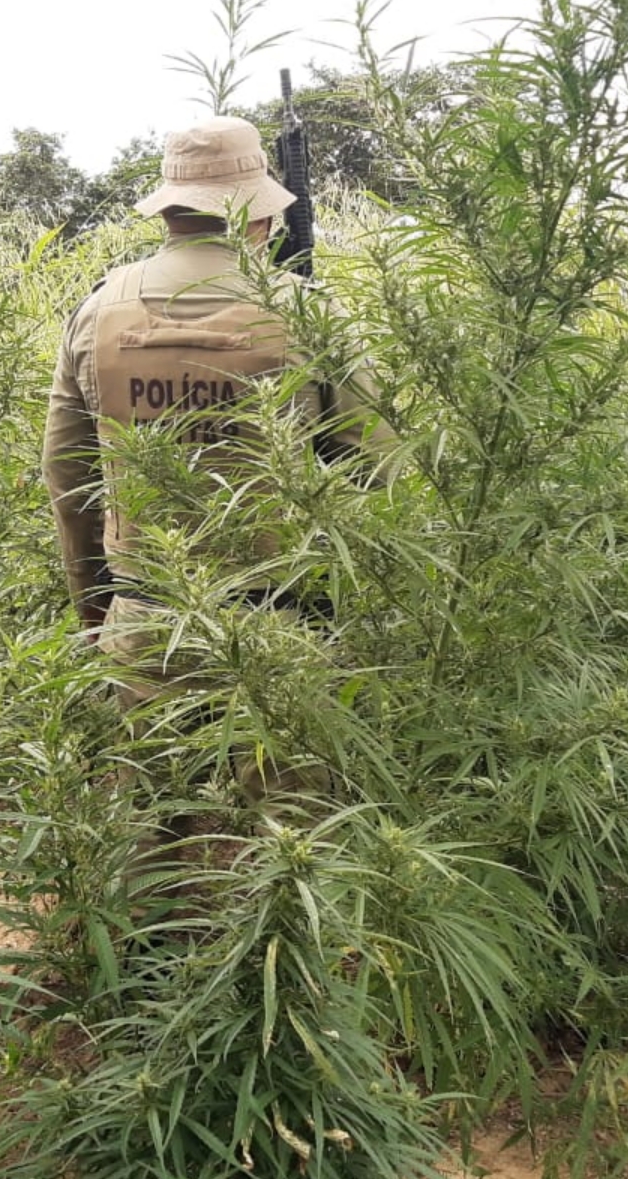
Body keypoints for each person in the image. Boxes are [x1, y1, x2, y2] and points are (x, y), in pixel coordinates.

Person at [42, 115, 384, 889]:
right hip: (282, 622)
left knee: (147, 847)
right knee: (292, 856)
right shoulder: (312, 313)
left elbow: (67, 478)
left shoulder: (99, 311)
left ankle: (144, 989)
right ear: (261, 213)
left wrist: (95, 610)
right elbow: (373, 473)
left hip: (146, 617)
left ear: (166, 209)